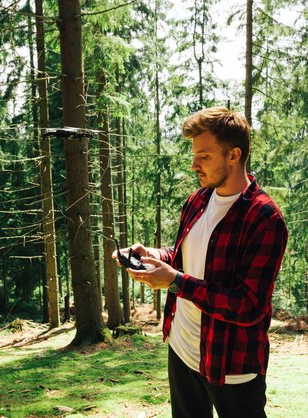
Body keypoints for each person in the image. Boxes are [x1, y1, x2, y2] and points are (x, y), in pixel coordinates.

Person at [114, 106, 288, 418]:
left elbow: (248, 305)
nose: (194, 164)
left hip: (231, 364)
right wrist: (154, 255)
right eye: (194, 155)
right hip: (182, 349)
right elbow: (186, 259)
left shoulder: (264, 218)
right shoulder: (199, 200)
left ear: (233, 155)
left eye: (204, 156)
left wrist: (176, 282)